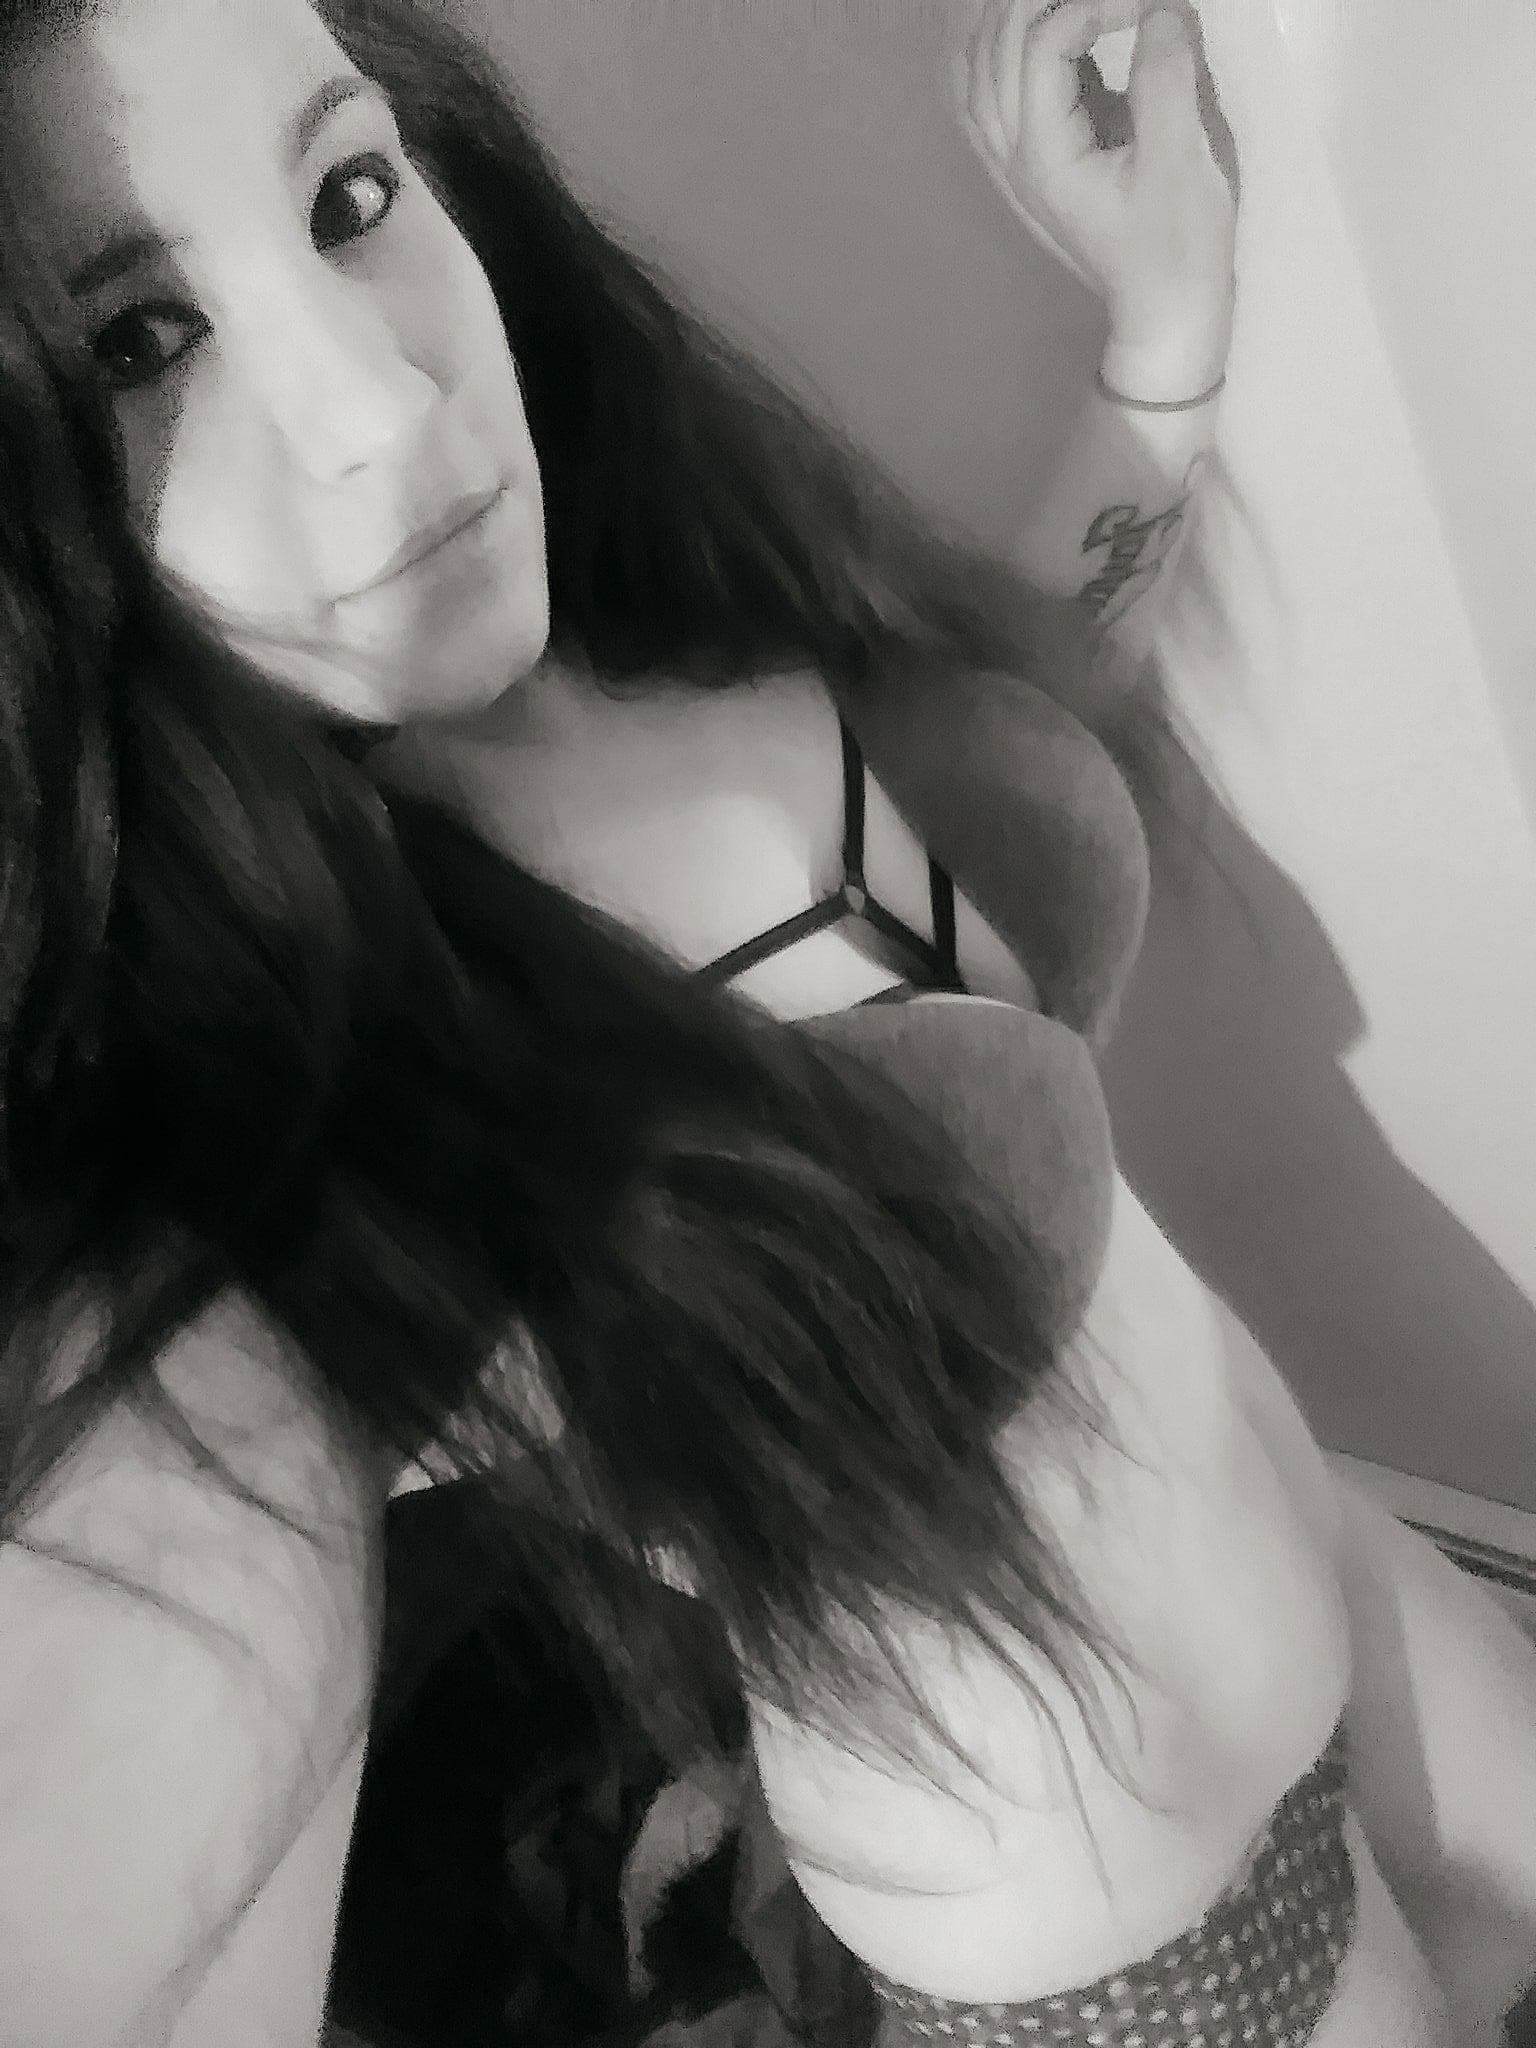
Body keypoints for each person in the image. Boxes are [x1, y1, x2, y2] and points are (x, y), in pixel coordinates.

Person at [1, 5, 1533, 2048]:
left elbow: (1022, 703)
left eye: (349, 193)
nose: (382, 396)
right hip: (1148, 1951)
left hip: (1345, 1575)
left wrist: (1166, 316)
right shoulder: (308, 1096)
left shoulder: (672, 592)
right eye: (137, 341)